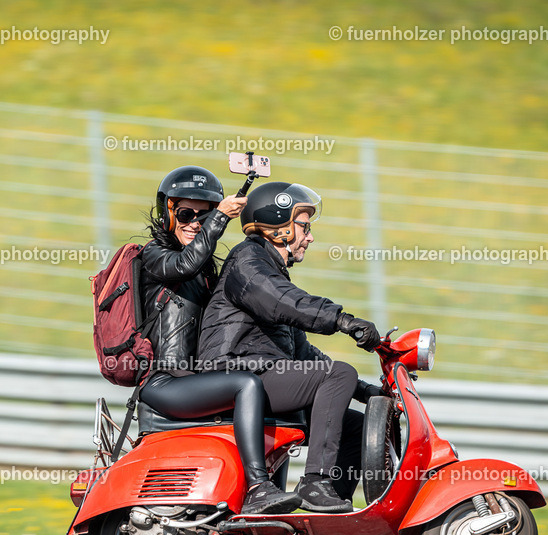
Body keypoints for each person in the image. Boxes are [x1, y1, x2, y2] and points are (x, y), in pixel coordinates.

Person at [197, 181, 383, 513]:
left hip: (262, 371)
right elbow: (287, 302)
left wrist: (365, 391)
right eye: (304, 226)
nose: (309, 237)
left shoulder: (270, 270)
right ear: (277, 227)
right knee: (337, 373)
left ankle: (330, 508)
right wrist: (342, 321)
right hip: (234, 372)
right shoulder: (248, 263)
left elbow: (303, 351)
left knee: (354, 425)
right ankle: (314, 483)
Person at [138, 166, 301, 515]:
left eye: (204, 214)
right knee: (245, 385)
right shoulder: (153, 256)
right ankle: (259, 486)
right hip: (165, 382)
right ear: (168, 212)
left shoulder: (206, 270)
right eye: (185, 214)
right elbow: (184, 265)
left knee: (278, 398)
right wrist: (220, 219)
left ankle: (275, 503)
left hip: (193, 380)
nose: (195, 222)